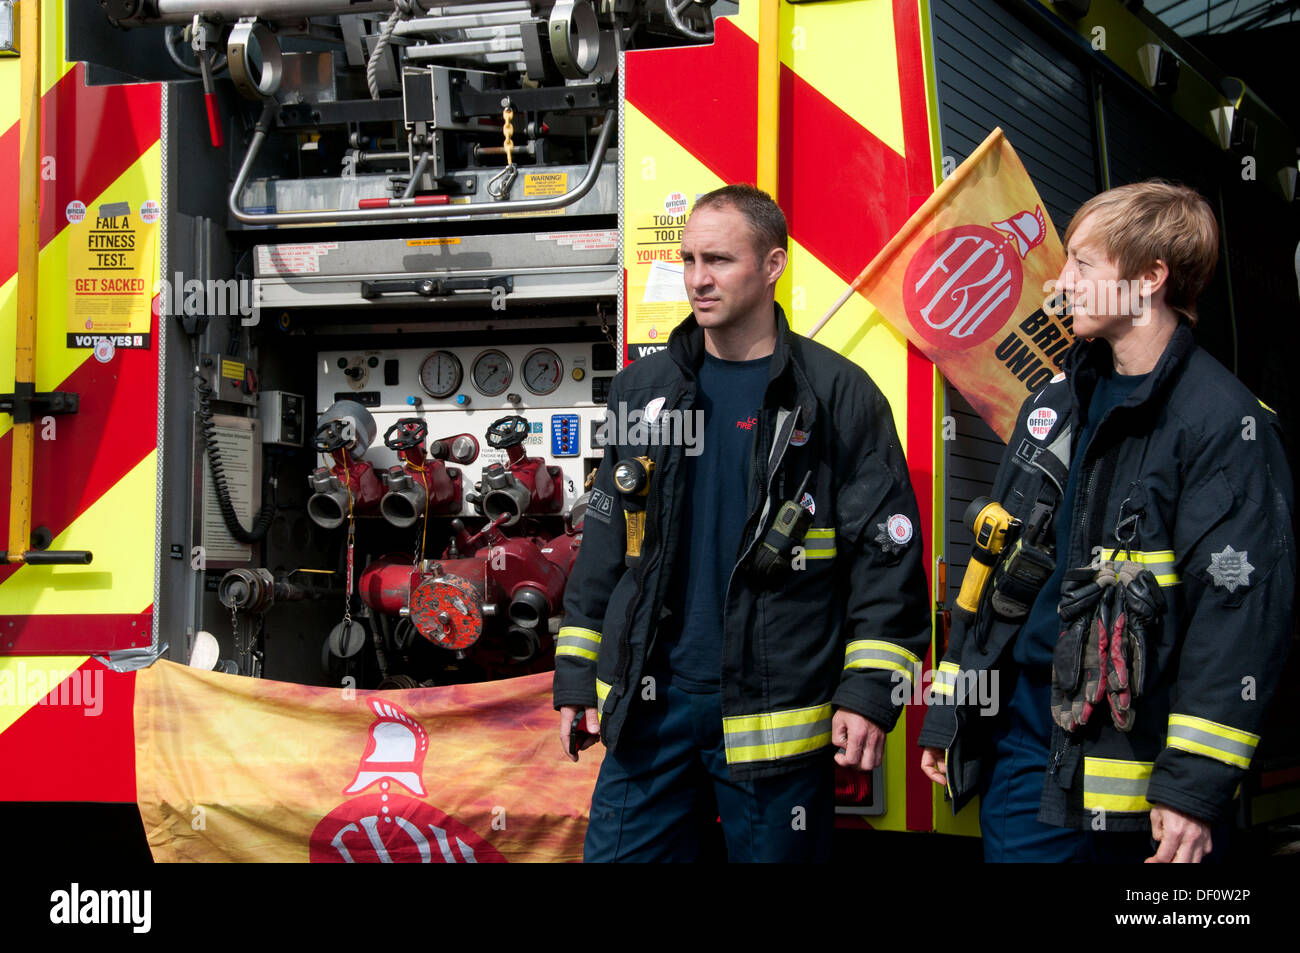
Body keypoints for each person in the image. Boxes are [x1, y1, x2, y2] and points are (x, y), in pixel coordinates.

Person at [918, 180, 1295, 863]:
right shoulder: (1056, 403)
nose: (1060, 286)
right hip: (1028, 752)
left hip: (1143, 773)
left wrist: (1195, 785)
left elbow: (1238, 615)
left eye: (1083, 266)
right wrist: (952, 710)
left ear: (1150, 277)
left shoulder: (1222, 423)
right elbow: (993, 565)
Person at [553, 184, 931, 862]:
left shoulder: (836, 396)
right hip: (651, 711)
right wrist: (579, 675)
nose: (698, 279)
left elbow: (888, 559)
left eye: (720, 260)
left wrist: (872, 691)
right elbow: (606, 543)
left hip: (772, 720)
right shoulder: (643, 391)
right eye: (690, 259)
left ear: (774, 265)